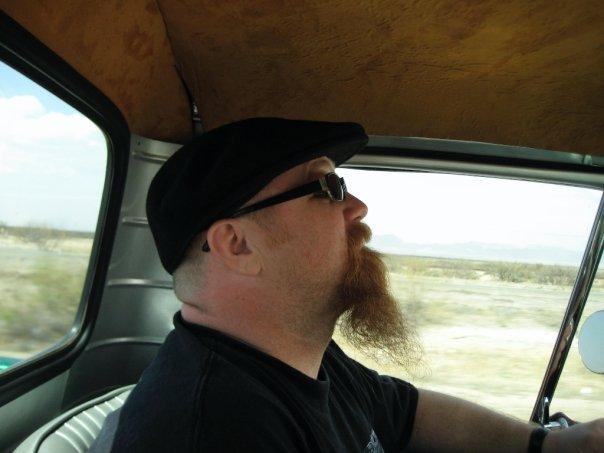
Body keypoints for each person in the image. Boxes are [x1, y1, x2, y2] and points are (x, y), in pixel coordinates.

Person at [96, 118, 603, 452]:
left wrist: (551, 445)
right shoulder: (212, 431)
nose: (357, 207)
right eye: (326, 187)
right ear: (237, 244)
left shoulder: (295, 355)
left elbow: (405, 413)